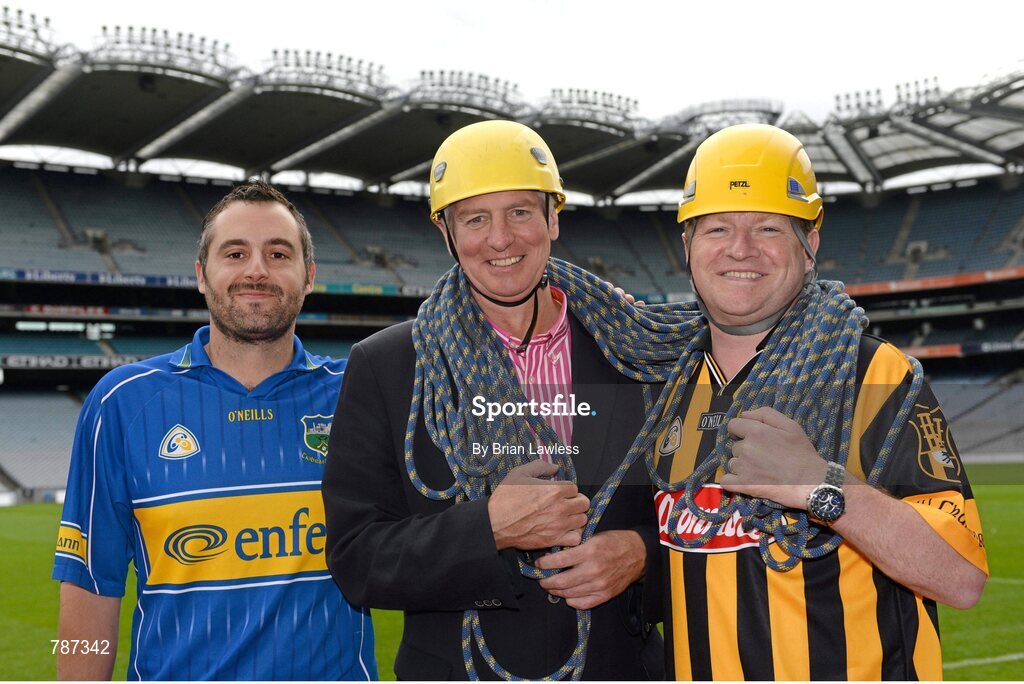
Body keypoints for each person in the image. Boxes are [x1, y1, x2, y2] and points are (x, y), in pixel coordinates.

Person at [322, 120, 665, 680]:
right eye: (475, 218)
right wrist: (489, 528)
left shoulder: (634, 352)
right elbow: (358, 558)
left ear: (553, 217)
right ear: (446, 232)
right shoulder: (386, 366)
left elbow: (708, 524)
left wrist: (643, 557)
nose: (501, 239)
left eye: (520, 212)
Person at [652, 123, 988, 680]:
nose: (741, 249)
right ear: (687, 246)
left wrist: (819, 486)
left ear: (809, 245)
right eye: (716, 229)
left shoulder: (876, 375)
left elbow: (961, 577)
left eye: (768, 227)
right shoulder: (662, 390)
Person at [52, 181, 376, 681]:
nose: (256, 270)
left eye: (278, 253)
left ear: (308, 276)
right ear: (202, 276)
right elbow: (90, 583)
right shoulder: (120, 403)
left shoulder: (360, 393)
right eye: (236, 252)